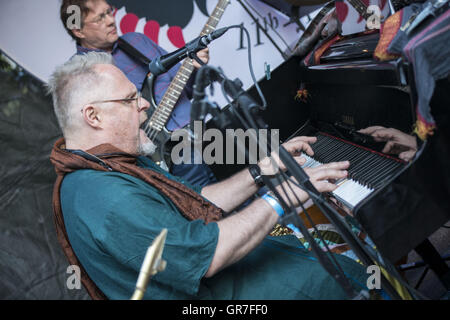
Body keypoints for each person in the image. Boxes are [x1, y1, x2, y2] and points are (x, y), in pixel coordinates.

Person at [47, 52, 370, 300]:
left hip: (243, 279)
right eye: (130, 99)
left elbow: (196, 203)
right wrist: (283, 195)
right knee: (340, 270)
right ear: (93, 116)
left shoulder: (110, 163)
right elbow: (209, 254)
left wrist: (263, 170)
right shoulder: (103, 195)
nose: (145, 104)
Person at [59, 0, 215, 187]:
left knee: (245, 195)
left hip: (205, 134)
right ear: (78, 30)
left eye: (109, 12)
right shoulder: (79, 72)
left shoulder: (136, 41)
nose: (110, 20)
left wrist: (195, 69)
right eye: (100, 18)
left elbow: (187, 89)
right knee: (213, 209)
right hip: (169, 156)